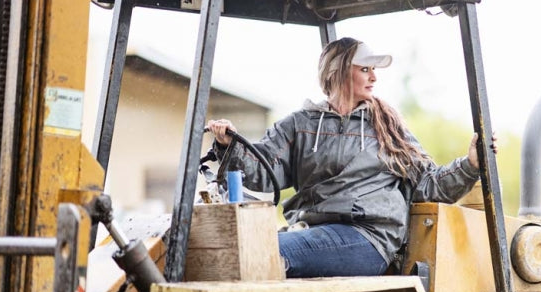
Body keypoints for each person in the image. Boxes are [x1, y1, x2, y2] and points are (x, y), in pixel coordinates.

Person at [207, 37, 496, 278]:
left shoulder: (386, 128)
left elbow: (429, 185)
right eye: (365, 68)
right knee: (232, 245)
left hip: (367, 238)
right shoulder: (300, 125)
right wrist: (228, 145)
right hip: (312, 232)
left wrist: (469, 164)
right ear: (339, 70)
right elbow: (263, 170)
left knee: (261, 250)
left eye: (373, 70)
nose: (374, 76)